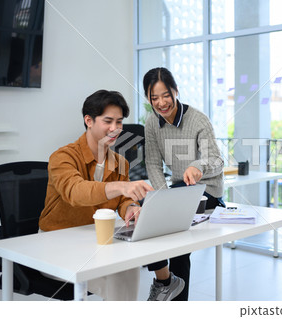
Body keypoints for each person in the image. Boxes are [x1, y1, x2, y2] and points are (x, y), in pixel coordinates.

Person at [39, 89, 185, 301]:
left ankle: (163, 283)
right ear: (88, 120)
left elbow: (124, 199)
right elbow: (75, 191)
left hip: (94, 240)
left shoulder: (120, 162)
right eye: (108, 121)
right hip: (56, 243)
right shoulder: (63, 157)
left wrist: (131, 207)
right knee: (118, 274)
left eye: (119, 122)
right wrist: (119, 187)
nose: (115, 129)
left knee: (127, 266)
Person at [143, 67, 225, 301]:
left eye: (165, 95)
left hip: (208, 191)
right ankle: (165, 281)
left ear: (176, 91)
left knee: (178, 243)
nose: (161, 103)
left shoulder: (198, 119)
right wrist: (162, 198)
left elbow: (217, 161)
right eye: (154, 98)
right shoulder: (151, 123)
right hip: (179, 191)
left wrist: (198, 167)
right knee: (145, 212)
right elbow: (152, 163)